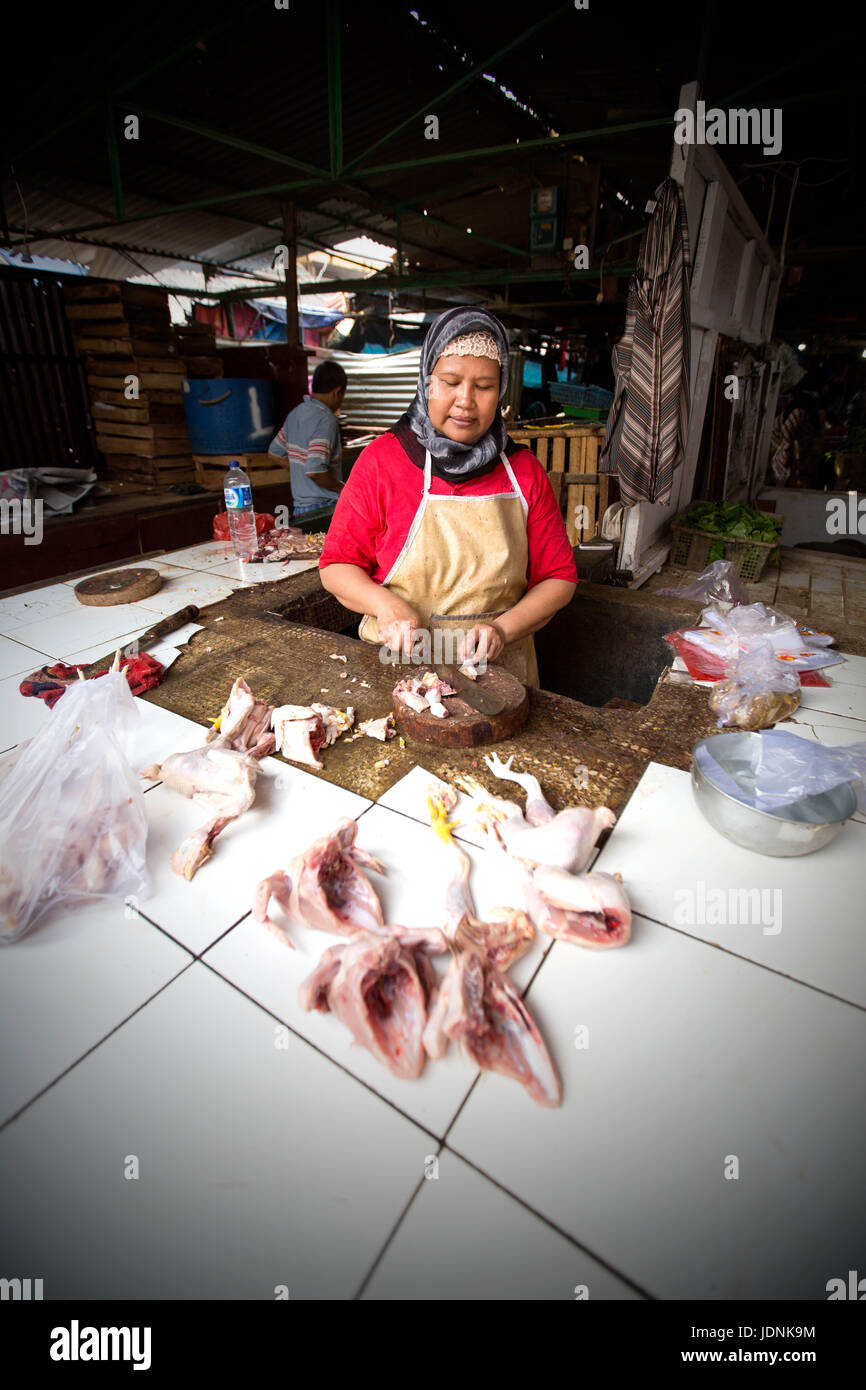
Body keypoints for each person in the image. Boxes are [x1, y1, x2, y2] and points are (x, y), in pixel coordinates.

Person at [318, 307, 578, 685]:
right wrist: (385, 606)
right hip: (397, 676)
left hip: (501, 682)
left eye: (484, 386)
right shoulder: (382, 462)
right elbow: (337, 566)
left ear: (501, 389)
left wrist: (502, 630)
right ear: (426, 381)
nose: (466, 401)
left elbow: (559, 578)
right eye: (450, 382)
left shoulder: (523, 471)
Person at [268, 360, 347, 517]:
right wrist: (344, 488)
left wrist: (300, 469)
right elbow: (315, 472)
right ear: (336, 392)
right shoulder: (326, 420)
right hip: (324, 509)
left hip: (300, 509)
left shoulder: (295, 414)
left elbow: (274, 453)